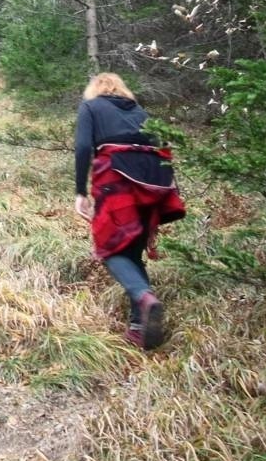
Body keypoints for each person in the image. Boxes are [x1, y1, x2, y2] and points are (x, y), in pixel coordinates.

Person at [74, 72, 186, 350]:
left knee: (109, 247)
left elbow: (83, 147)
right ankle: (140, 328)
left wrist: (80, 191)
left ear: (94, 90)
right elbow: (162, 146)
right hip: (153, 182)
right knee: (132, 251)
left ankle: (144, 297)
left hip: (117, 180)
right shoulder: (139, 110)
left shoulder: (91, 106)